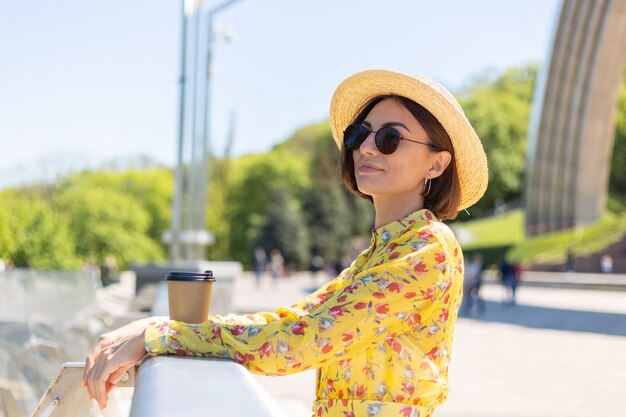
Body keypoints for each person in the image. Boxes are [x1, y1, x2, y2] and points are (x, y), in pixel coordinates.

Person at [82, 69, 488, 416]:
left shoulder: (428, 249)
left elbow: (302, 339)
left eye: (389, 139)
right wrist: (167, 327)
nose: (365, 147)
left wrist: (164, 336)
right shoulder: (377, 254)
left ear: (436, 163)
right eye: (360, 135)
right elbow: (294, 318)